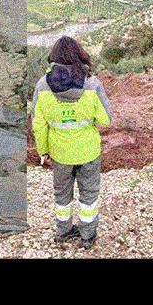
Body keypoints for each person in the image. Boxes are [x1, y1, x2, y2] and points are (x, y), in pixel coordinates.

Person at [30, 37, 112, 249]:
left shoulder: (42, 85)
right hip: (88, 151)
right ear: (79, 54)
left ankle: (63, 231)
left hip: (60, 153)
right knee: (89, 193)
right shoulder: (92, 83)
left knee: (61, 194)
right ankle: (87, 236)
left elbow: (38, 124)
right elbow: (106, 119)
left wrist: (43, 151)